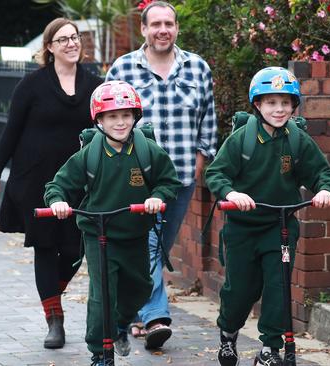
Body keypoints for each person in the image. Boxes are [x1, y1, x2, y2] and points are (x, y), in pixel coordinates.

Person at [0, 17, 103, 349]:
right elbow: (11, 132)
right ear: (49, 47)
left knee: (77, 249)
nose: (71, 44)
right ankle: (54, 319)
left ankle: (51, 296)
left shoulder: (94, 85)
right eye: (62, 40)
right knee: (46, 247)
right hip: (35, 179)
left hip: (80, 183)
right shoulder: (31, 86)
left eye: (75, 38)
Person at [204, 66, 330, 366]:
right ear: (258, 105)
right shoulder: (242, 140)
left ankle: (270, 349)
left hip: (280, 226)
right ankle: (228, 331)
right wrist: (231, 194)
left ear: (294, 106)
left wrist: (324, 190)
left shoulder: (297, 139)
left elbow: (320, 172)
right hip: (242, 227)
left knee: (279, 286)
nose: (279, 109)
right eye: (271, 102)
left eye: (285, 102)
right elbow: (216, 173)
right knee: (240, 290)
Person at [105, 1, 217, 349]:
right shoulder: (123, 68)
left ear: (177, 28)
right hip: (136, 181)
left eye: (168, 23)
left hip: (180, 178)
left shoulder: (197, 68)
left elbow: (208, 120)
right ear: (144, 29)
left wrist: (201, 159)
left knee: (159, 249)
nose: (162, 29)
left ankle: (135, 312)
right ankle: (156, 318)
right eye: (155, 24)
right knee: (148, 248)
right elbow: (106, 122)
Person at [44, 80, 182, 366]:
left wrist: (157, 196)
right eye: (112, 116)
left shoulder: (147, 152)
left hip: (135, 233)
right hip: (99, 234)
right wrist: (57, 201)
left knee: (140, 288)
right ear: (100, 120)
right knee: (102, 294)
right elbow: (57, 184)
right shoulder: (90, 155)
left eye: (125, 116)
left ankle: (118, 326)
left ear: (135, 117)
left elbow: (169, 180)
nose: (120, 122)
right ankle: (100, 351)